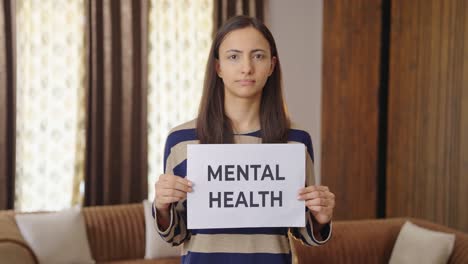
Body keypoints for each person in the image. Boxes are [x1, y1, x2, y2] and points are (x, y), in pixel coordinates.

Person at [152, 15, 335, 264]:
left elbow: (304, 231)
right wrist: (162, 208)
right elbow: (176, 235)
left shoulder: (296, 140)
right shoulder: (181, 140)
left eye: (258, 56)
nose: (246, 68)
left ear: (271, 65)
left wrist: (320, 217)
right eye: (233, 56)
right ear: (218, 67)